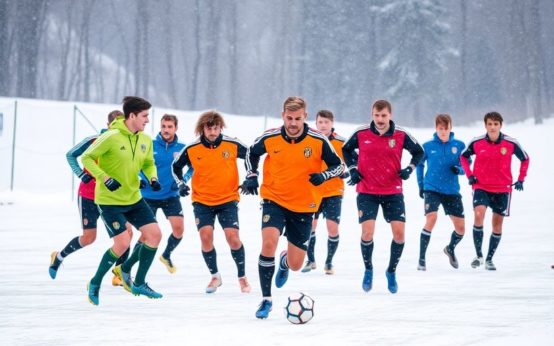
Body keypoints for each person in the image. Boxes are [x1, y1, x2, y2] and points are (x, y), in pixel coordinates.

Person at [241, 96, 344, 319]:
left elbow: (339, 166)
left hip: (305, 205)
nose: (293, 123)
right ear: (283, 116)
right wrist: (251, 175)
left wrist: (324, 175)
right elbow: (251, 152)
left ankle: (285, 261)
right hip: (274, 199)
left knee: (297, 264)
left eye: (298, 118)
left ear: (305, 117)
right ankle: (266, 299)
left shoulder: (318, 140)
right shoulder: (271, 136)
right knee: (268, 242)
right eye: (289, 118)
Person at [81, 96, 163, 305]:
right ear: (132, 115)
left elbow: (148, 163)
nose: (147, 120)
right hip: (109, 200)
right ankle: (95, 282)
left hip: (133, 198)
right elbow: (87, 157)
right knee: (123, 242)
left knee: (154, 235)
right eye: (144, 116)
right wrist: (104, 178)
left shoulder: (145, 138)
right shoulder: (111, 136)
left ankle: (137, 280)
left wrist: (152, 177)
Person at [342, 99, 423, 294]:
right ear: (372, 115)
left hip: (392, 191)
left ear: (390, 115)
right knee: (368, 233)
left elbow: (419, 152)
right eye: (377, 116)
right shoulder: (361, 133)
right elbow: (346, 149)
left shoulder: (401, 135)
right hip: (367, 191)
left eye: (384, 116)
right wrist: (353, 169)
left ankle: (391, 271)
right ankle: (368, 269)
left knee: (399, 234)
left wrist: (409, 169)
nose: (380, 120)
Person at [49, 110, 132, 287]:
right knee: (89, 238)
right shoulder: (94, 140)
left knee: (127, 233)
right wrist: (80, 174)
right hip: (88, 196)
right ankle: (58, 257)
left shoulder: (125, 141)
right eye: (116, 123)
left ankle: (118, 273)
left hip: (111, 198)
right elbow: (70, 154)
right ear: (109, 124)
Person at [172, 110, 251, 294]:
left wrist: (250, 177)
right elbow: (175, 167)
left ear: (220, 128)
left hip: (228, 200)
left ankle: (242, 277)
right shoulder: (192, 148)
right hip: (202, 201)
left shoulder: (231, 144)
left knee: (233, 239)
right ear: (202, 129)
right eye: (209, 129)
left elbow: (251, 155)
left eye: (216, 128)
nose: (213, 132)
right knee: (205, 237)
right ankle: (215, 276)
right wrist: (181, 184)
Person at [460, 111, 530, 270]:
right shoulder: (476, 142)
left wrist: (521, 178)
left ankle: (490, 259)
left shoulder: (511, 143)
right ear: (485, 125)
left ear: (500, 125)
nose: (492, 127)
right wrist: (469, 175)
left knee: (497, 225)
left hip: (503, 189)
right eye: (490, 124)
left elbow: (525, 159)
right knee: (479, 214)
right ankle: (479, 255)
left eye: (495, 124)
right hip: (481, 186)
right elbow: (463, 157)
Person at [138, 114, 189, 274]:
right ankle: (125, 269)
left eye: (169, 127)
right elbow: (137, 165)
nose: (166, 130)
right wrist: (141, 179)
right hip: (148, 196)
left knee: (179, 230)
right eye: (163, 126)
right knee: (147, 236)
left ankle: (166, 255)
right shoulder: (149, 145)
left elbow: (193, 167)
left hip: (171, 195)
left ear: (176, 128)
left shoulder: (182, 147)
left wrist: (183, 180)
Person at [416, 114, 466, 271]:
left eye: (446, 128)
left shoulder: (459, 145)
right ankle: (422, 258)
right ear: (436, 128)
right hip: (432, 188)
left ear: (451, 128)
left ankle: (450, 248)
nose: (443, 132)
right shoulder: (428, 146)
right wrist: (421, 185)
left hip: (451, 190)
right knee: (432, 218)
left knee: (461, 229)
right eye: (440, 129)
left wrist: (459, 170)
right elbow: (419, 165)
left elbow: (467, 166)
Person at [302, 110, 348, 275]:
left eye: (326, 122)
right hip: (312, 191)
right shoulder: (310, 140)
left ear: (332, 123)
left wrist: (348, 171)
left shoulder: (342, 142)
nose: (323, 125)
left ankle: (329, 262)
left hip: (333, 191)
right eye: (320, 122)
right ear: (316, 123)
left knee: (332, 228)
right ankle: (311, 260)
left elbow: (352, 161)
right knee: (310, 227)